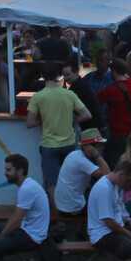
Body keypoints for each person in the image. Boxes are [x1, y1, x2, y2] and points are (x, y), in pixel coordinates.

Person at [26, 63, 91, 193]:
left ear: (43, 77)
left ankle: (55, 212)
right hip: (69, 144)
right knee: (71, 180)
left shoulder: (38, 97)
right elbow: (87, 115)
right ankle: (69, 209)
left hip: (49, 145)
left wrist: (44, 119)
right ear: (58, 76)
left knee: (51, 182)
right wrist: (72, 120)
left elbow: (30, 123)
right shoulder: (69, 94)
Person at [0, 155, 52, 261]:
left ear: (20, 171)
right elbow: (17, 218)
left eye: (8, 170)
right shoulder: (26, 185)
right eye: (5, 169)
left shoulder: (27, 188)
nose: (5, 173)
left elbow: (16, 220)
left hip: (31, 236)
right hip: (25, 228)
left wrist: (0, 237)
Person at [53, 129, 109, 217]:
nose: (102, 148)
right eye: (99, 145)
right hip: (72, 207)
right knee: (105, 200)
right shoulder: (81, 161)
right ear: (89, 147)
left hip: (64, 203)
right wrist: (97, 155)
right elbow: (107, 176)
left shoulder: (74, 154)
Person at [98, 61, 131, 166]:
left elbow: (97, 99)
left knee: (115, 159)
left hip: (117, 130)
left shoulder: (111, 90)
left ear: (114, 72)